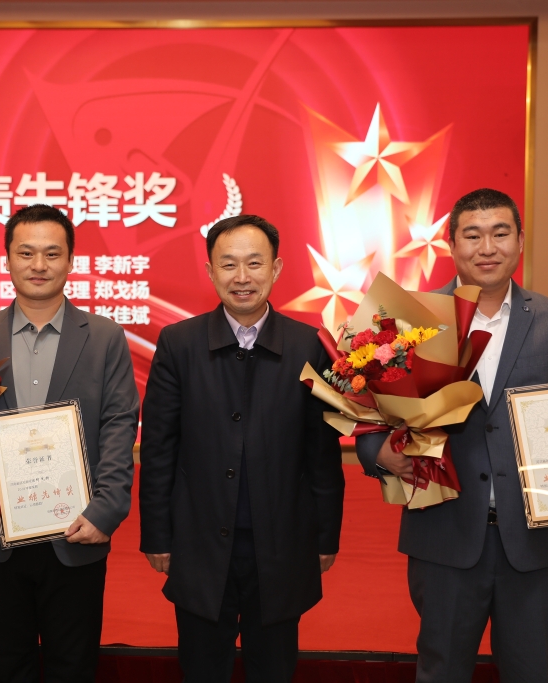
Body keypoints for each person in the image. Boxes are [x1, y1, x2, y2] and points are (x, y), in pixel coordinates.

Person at [356, 188, 548, 683]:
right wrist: (378, 452)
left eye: (500, 233)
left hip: (531, 540)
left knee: (533, 672)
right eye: (472, 235)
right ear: (451, 244)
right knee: (441, 671)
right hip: (444, 534)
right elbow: (365, 407)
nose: (487, 247)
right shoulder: (410, 318)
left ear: (520, 241)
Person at [139, 214, 345, 683]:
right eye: (228, 264)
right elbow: (159, 448)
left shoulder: (310, 345)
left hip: (282, 544)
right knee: (201, 667)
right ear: (210, 272)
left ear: (276, 269)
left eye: (255, 263)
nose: (242, 277)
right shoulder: (179, 343)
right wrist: (157, 535)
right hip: (199, 542)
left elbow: (322, 453)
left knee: (273, 668)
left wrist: (325, 536)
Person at [0, 204, 139, 683]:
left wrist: (106, 511)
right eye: (26, 253)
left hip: (76, 530)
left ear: (71, 261)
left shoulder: (104, 336)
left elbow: (119, 424)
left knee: (73, 666)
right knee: (6, 664)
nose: (39, 265)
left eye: (52, 254)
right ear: (7, 260)